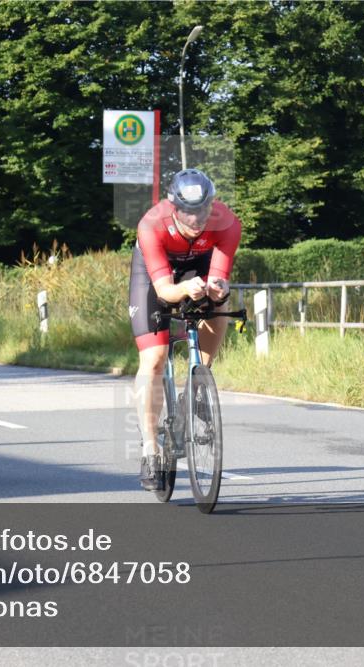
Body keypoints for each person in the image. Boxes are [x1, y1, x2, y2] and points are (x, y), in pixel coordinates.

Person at [129, 169, 242, 490]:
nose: (196, 218)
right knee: (154, 358)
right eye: (188, 211)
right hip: (155, 275)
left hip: (198, 265)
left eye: (203, 209)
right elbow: (164, 291)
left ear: (213, 203)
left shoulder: (228, 223)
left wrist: (217, 288)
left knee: (221, 304)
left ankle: (198, 383)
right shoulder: (151, 224)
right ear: (173, 207)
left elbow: (220, 276)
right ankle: (151, 449)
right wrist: (183, 290)